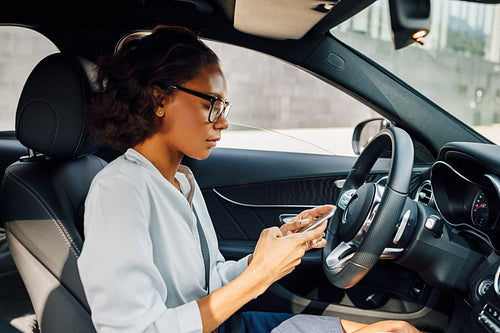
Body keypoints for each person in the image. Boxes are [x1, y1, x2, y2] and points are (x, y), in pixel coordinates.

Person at [77, 25, 424, 333]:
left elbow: (209, 281)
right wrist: (260, 276)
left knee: (391, 330)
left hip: (226, 324)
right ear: (159, 98)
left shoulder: (181, 180)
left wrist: (271, 252)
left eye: (224, 107)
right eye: (211, 103)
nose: (223, 121)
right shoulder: (118, 192)